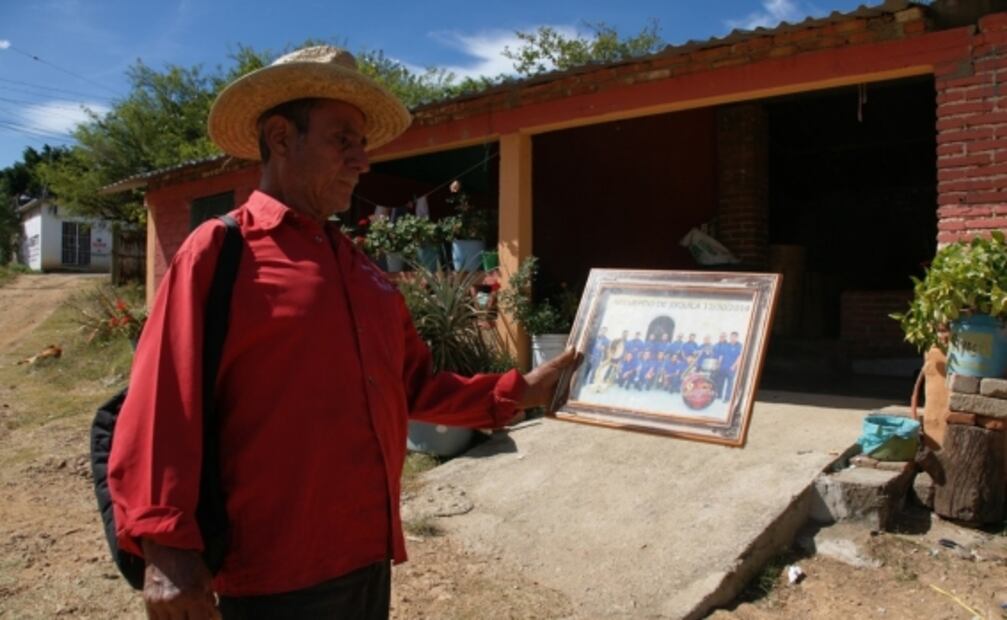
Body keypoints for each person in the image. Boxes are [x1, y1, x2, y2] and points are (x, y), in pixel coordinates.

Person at [107, 46, 577, 620]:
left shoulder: (363, 272)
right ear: (281, 138)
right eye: (342, 140)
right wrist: (165, 548)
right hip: (268, 579)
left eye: (361, 144)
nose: (362, 161)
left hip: (366, 559)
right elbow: (162, 403)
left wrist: (521, 390)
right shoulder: (220, 251)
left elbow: (416, 387)